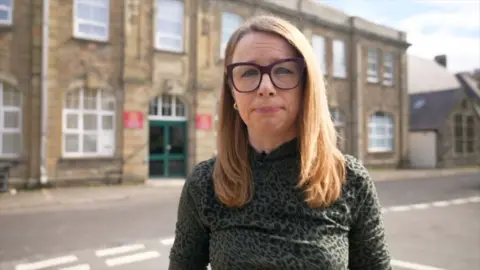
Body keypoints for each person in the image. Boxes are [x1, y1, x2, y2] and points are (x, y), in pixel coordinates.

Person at [168, 15, 391, 270]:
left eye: (283, 70)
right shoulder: (204, 183)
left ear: (306, 85)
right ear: (232, 91)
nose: (265, 87)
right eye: (249, 72)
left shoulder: (349, 179)